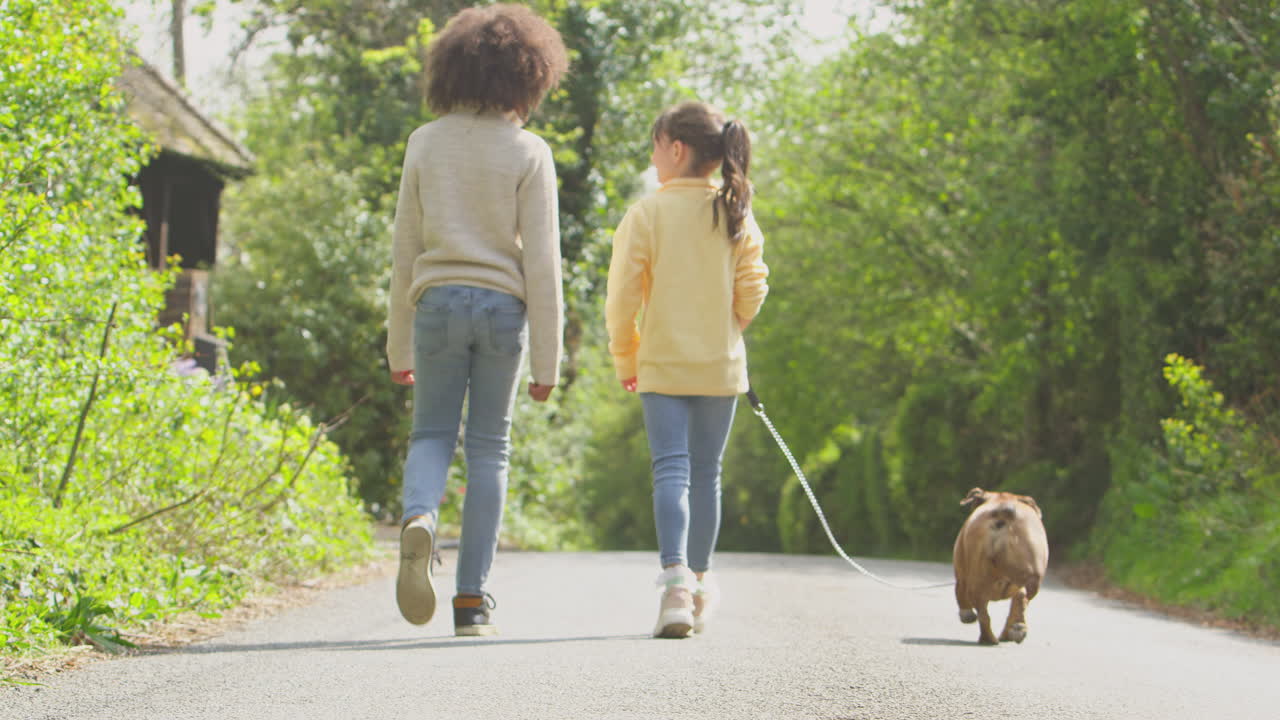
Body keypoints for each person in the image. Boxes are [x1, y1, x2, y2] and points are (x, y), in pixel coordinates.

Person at [386, 3, 568, 637]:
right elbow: (543, 264)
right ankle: (471, 603)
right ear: (528, 75)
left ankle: (419, 518)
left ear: (451, 69)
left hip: (435, 302)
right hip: (500, 309)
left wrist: (398, 345)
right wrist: (550, 360)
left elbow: (405, 248)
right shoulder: (529, 151)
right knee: (490, 448)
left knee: (432, 434)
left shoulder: (424, 143)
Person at [604, 100, 769, 638]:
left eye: (655, 150)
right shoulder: (736, 209)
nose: (653, 163)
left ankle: (674, 584)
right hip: (720, 370)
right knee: (706, 475)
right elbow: (754, 286)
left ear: (676, 149)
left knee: (670, 470)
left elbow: (621, 300)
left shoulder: (645, 214)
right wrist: (730, 328)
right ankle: (698, 584)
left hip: (662, 367)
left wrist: (627, 357)